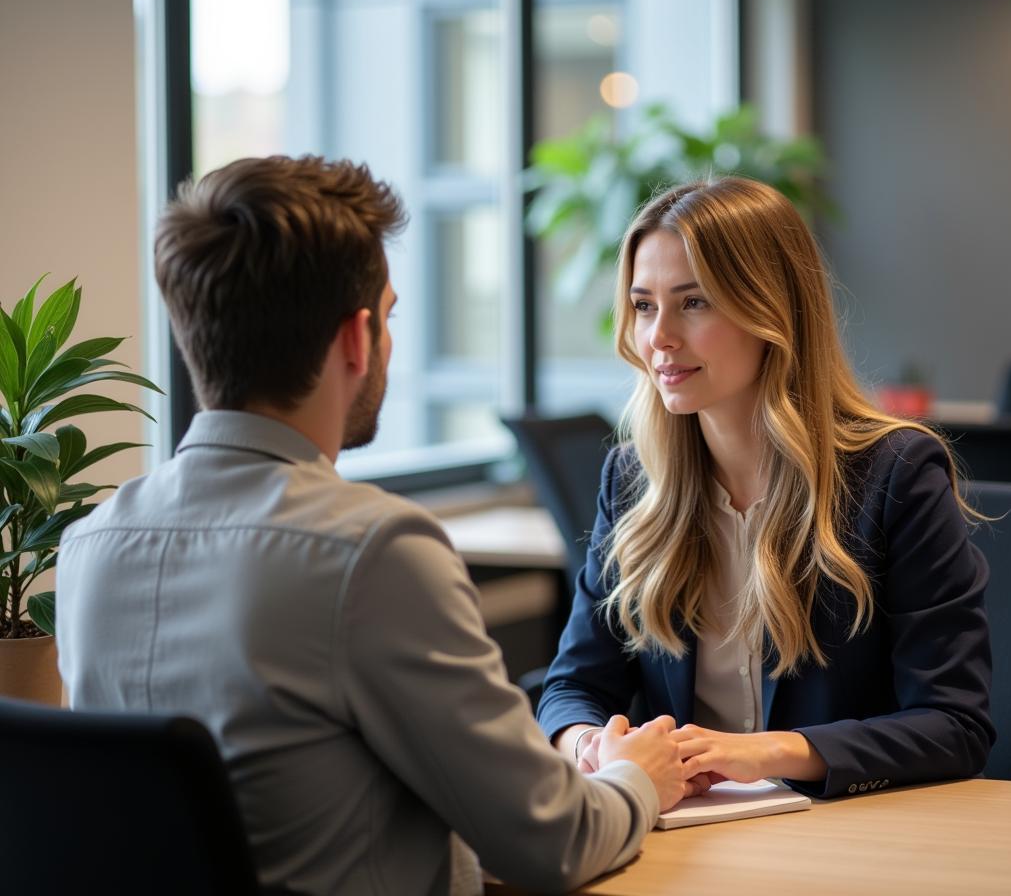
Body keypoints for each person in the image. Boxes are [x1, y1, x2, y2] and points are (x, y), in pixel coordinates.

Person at [56, 155, 707, 896]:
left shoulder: (90, 545)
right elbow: (551, 843)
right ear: (356, 340)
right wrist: (639, 778)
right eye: (390, 316)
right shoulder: (372, 552)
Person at [537, 176, 994, 798]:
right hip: (687, 836)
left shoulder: (897, 474)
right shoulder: (632, 481)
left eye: (694, 302)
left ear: (772, 311)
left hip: (848, 840)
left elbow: (955, 725)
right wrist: (594, 746)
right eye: (644, 305)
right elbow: (572, 688)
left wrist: (766, 753)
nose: (659, 337)